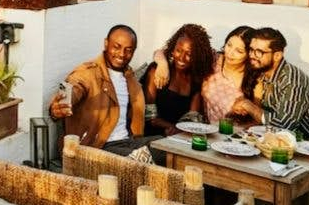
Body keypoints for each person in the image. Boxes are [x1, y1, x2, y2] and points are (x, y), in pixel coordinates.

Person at [49, 24, 159, 158]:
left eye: (128, 50)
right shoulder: (88, 72)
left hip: (128, 142)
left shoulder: (131, 79)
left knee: (166, 147)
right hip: (98, 146)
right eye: (116, 47)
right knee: (139, 158)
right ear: (106, 44)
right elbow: (75, 86)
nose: (122, 54)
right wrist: (59, 107)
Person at [237, 27, 309, 141]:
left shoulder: (293, 80)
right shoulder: (261, 71)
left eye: (259, 52)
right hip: (271, 141)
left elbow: (284, 125)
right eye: (251, 50)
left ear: (277, 55)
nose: (252, 55)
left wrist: (249, 106)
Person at [154, 25, 259, 125]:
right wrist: (162, 64)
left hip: (235, 134)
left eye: (239, 51)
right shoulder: (213, 59)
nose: (230, 53)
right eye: (229, 45)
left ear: (249, 54)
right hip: (205, 130)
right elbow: (163, 51)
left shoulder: (254, 77)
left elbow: (257, 119)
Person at [140, 24, 216, 136]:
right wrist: (172, 127)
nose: (181, 57)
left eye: (189, 54)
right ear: (172, 50)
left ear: (197, 56)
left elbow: (193, 117)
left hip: (179, 136)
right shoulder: (157, 70)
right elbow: (150, 116)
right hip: (152, 135)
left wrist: (179, 131)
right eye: (178, 50)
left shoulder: (195, 80)